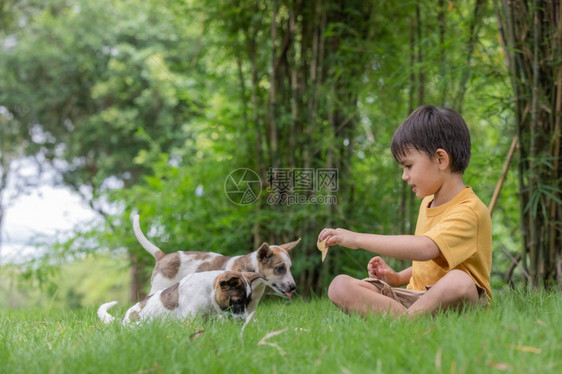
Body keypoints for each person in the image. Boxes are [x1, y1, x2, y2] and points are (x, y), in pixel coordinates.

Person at [318, 105, 492, 317]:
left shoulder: (470, 210)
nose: (404, 176)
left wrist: (356, 239)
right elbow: (436, 264)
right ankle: (408, 321)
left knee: (460, 281)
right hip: (415, 299)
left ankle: (402, 324)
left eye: (408, 166)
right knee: (339, 286)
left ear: (440, 160)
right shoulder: (427, 202)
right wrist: (399, 278)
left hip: (455, 300)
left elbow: (426, 249)